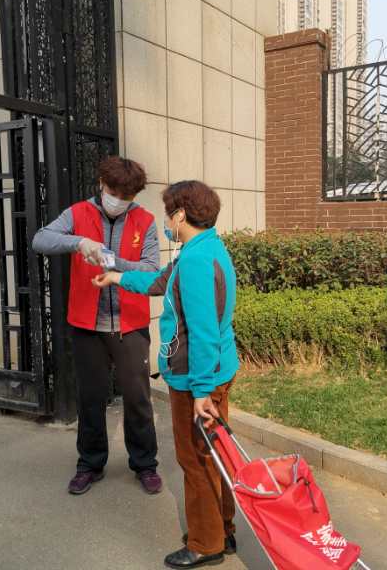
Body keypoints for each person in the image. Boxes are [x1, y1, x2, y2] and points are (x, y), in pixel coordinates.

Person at [92, 180, 239, 569]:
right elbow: (159, 281)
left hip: (196, 378)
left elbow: (203, 331)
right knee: (215, 455)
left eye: (167, 214)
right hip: (214, 370)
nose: (165, 222)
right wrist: (116, 277)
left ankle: (206, 543)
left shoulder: (194, 260)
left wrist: (202, 392)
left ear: (180, 215)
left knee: (196, 460)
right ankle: (222, 529)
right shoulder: (205, 248)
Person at [31, 156, 162, 496]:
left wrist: (112, 260)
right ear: (102, 185)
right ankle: (90, 464)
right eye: (114, 192)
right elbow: (40, 239)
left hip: (130, 323)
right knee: (90, 398)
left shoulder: (145, 221)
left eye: (127, 196)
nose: (119, 200)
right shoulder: (78, 213)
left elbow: (151, 270)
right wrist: (78, 242)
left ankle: (145, 464)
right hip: (87, 324)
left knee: (137, 398)